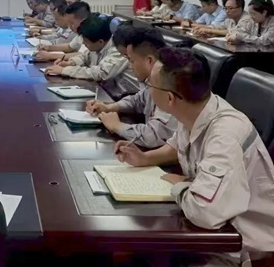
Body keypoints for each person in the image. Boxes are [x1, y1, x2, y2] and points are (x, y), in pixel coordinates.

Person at [115, 47, 274, 263]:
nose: (148, 88)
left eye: (151, 84)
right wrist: (146, 159)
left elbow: (204, 212)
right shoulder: (196, 108)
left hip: (240, 244)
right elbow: (178, 146)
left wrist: (181, 185)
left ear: (169, 98)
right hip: (213, 228)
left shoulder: (225, 135)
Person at [86, 27, 176, 148]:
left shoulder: (169, 84)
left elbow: (154, 136)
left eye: (131, 61)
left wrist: (117, 126)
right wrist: (109, 107)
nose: (130, 66)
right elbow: (136, 101)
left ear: (149, 60)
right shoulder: (153, 81)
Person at [44, 16, 129, 81]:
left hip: (120, 94)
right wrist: (71, 62)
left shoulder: (118, 50)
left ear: (100, 42)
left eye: (86, 42)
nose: (84, 44)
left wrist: (65, 70)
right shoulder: (97, 45)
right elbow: (85, 57)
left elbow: (100, 73)